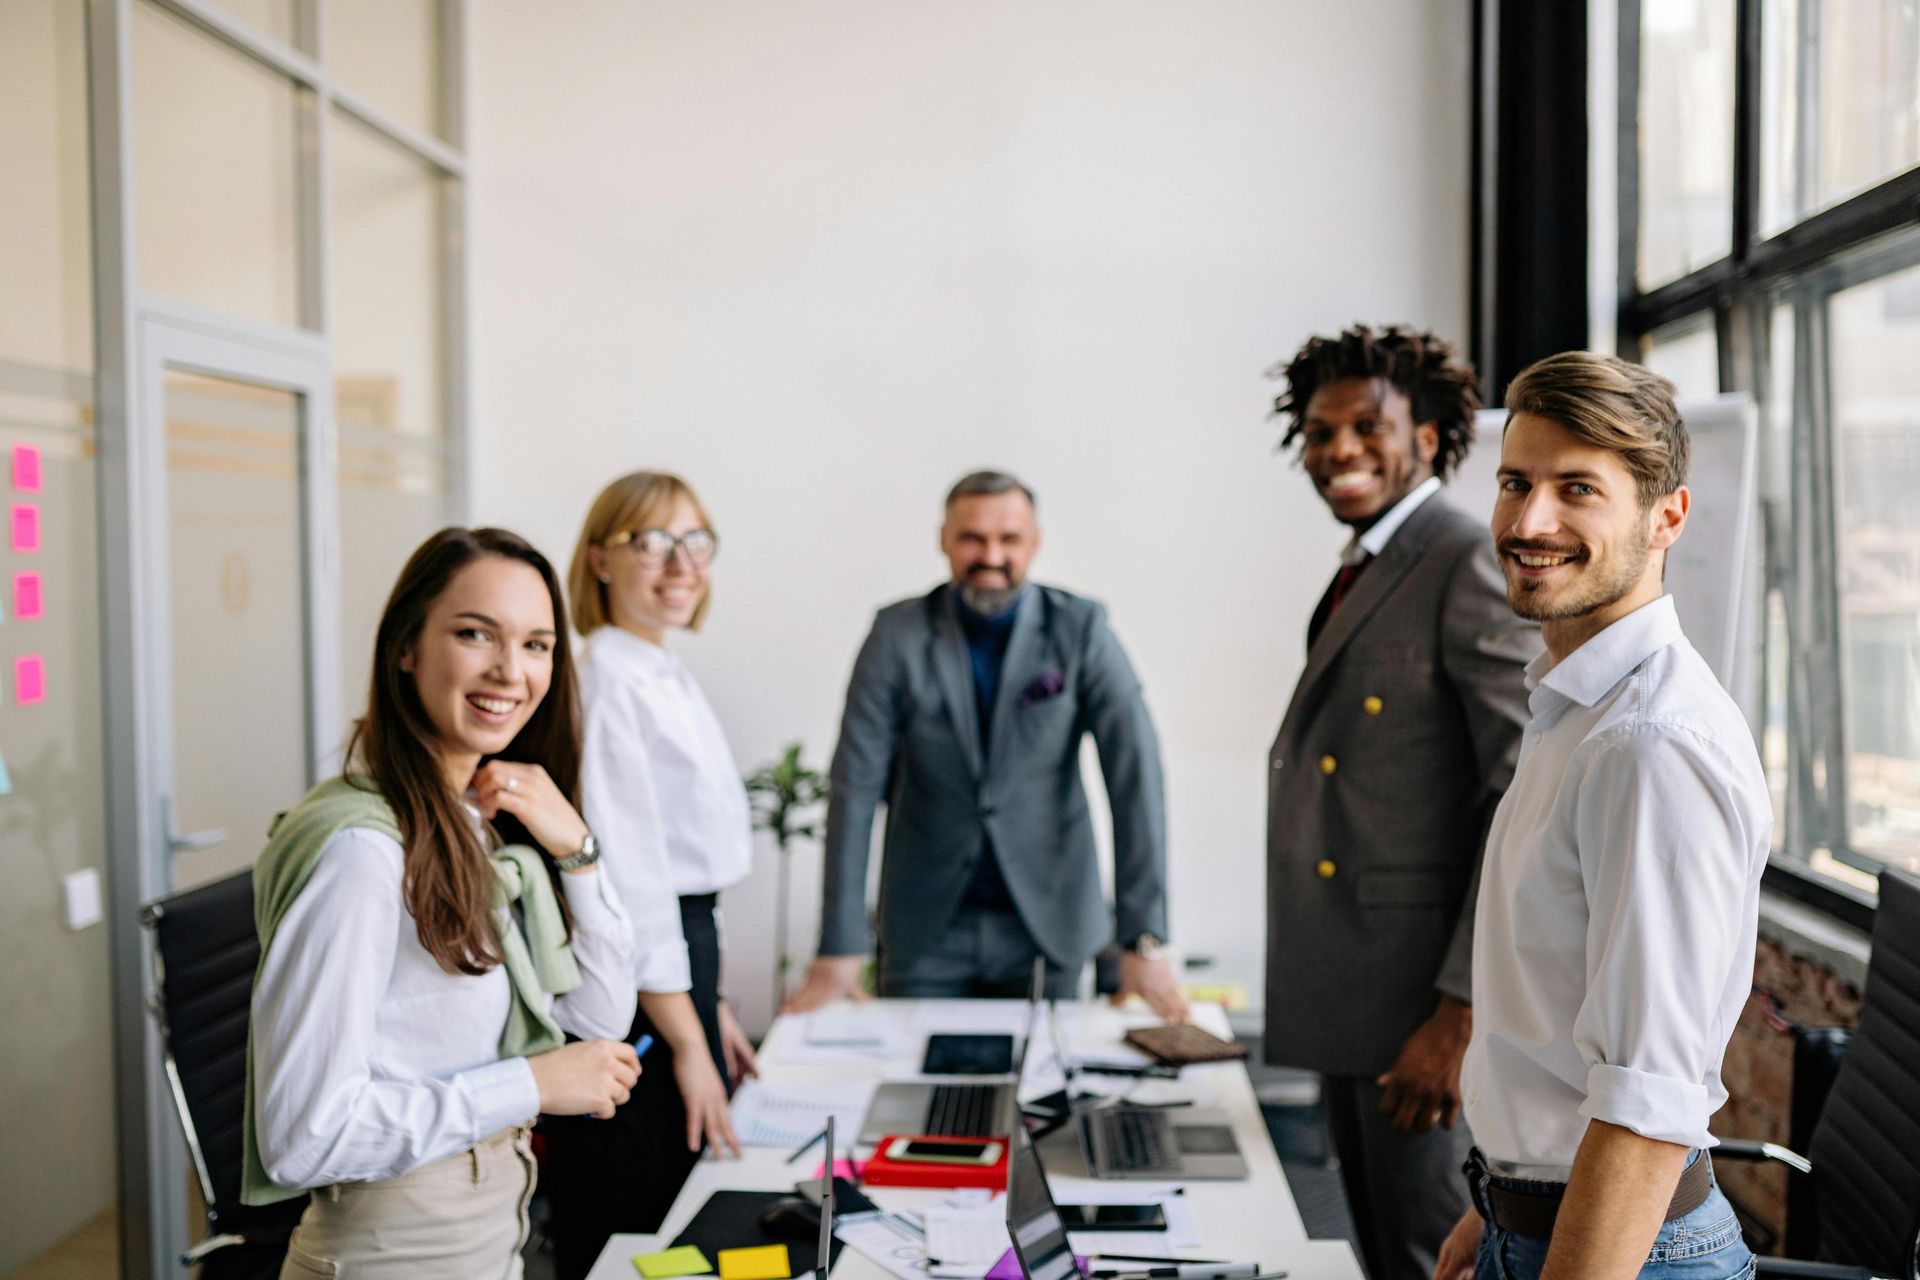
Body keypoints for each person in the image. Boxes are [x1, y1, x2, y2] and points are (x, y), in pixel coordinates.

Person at [1433, 353, 1770, 1280]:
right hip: (1545, 1222)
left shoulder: (1649, 743)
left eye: (1577, 488)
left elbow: (1647, 1098)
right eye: (1515, 483)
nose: (1529, 522)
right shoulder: (1574, 708)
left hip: (1625, 1253)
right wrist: (1499, 1204)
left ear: (1668, 517)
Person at [246, 527, 640, 1279]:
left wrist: (578, 853)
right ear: (406, 647)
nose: (509, 671)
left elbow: (595, 1022)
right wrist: (529, 1084)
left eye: (536, 645)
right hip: (396, 1245)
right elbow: (301, 1137)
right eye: (474, 634)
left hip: (489, 1226)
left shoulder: (471, 819)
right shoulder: (365, 853)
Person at [1262, 325, 1539, 1280]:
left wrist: (1459, 1015)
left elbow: (1517, 795)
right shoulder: (1372, 564)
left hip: (1421, 1010)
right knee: (1381, 1255)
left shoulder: (1459, 558)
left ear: (1426, 436)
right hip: (1356, 993)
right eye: (1319, 429)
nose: (1338, 449)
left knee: (1429, 1261)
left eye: (1366, 426)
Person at [785, 470, 1187, 1017]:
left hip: (1051, 925)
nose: (991, 555)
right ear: (944, 540)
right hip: (925, 929)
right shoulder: (894, 635)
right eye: (972, 538)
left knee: (1044, 1098)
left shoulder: (1082, 629)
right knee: (919, 1096)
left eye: (1009, 539)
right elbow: (854, 789)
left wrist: (1142, 937)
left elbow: (1135, 777)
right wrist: (840, 943)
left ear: (1035, 542)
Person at [540, 472, 763, 1275]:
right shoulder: (606, 680)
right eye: (654, 543)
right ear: (599, 558)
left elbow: (687, 870)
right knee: (636, 1227)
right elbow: (629, 888)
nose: (682, 563)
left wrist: (715, 1007)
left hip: (678, 964)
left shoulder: (661, 670)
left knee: (678, 1213)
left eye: (696, 541)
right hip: (632, 982)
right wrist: (687, 1041)